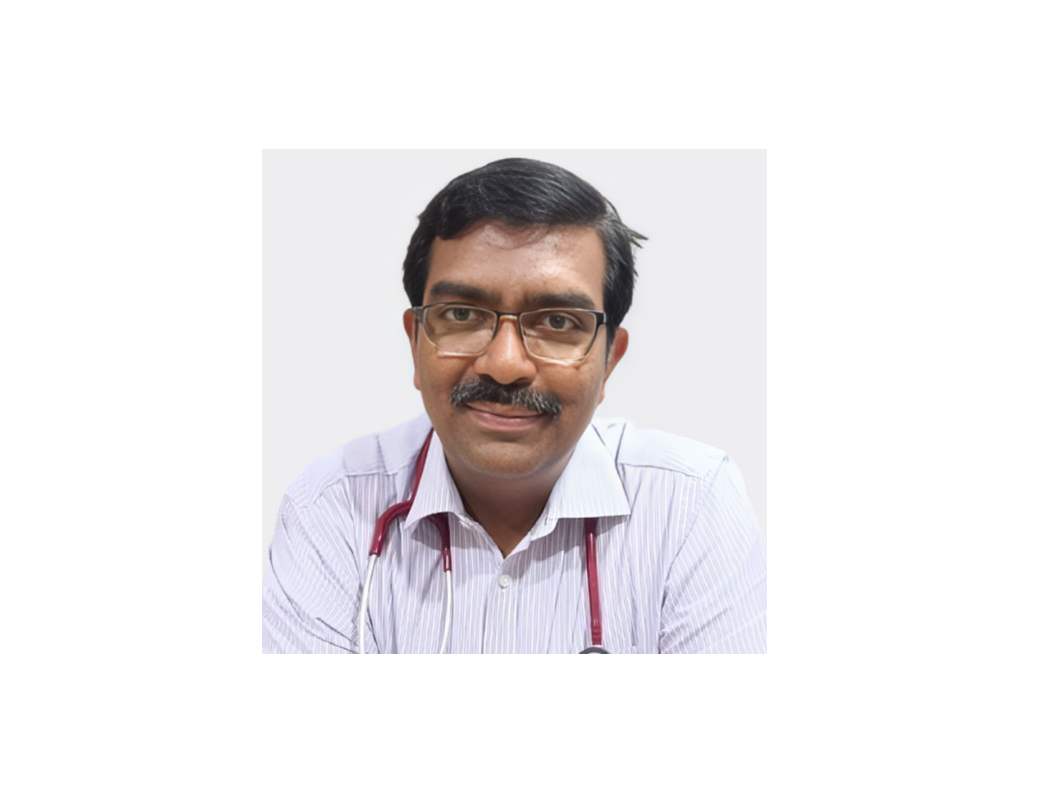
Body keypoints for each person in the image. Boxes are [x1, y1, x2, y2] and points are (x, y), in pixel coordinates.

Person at [263, 157, 766, 654]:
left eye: (558, 322)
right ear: (415, 343)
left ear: (609, 359)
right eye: (462, 314)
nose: (505, 365)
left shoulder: (689, 505)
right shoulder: (332, 508)